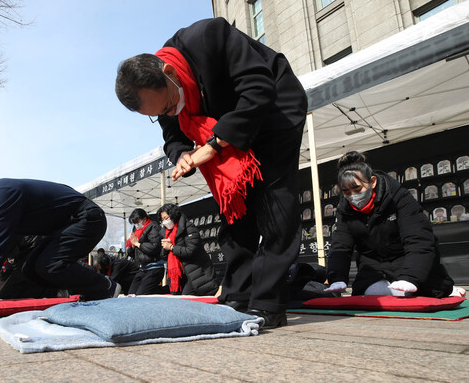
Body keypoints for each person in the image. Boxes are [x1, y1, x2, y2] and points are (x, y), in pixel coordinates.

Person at [115, 17, 307, 327]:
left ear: (168, 72)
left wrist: (212, 146)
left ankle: (269, 301)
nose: (169, 114)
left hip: (275, 112)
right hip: (224, 134)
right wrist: (182, 156)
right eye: (156, 115)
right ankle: (238, 293)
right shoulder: (163, 95)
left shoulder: (210, 37)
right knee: (235, 214)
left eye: (165, 107)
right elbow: (173, 137)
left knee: (275, 204)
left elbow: (259, 89)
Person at [0, 178, 121, 306]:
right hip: (62, 227)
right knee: (30, 269)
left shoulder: (1, 196)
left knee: (49, 265)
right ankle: (72, 293)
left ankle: (106, 287)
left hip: (86, 219)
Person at [325, 152, 454, 298]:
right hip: (373, 266)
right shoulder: (345, 209)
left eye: (357, 189)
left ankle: (448, 289)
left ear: (372, 181)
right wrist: (337, 277)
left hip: (407, 259)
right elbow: (340, 246)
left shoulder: (398, 197)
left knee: (410, 293)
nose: (353, 196)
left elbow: (419, 238)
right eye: (346, 192)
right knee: (374, 294)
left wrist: (410, 277)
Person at [157, 203, 219, 296]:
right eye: (162, 220)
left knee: (187, 300)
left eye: (166, 218)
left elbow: (190, 250)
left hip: (196, 272)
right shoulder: (166, 233)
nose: (165, 222)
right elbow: (163, 256)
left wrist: (171, 247)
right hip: (179, 275)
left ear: (174, 215)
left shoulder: (189, 228)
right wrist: (166, 248)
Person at [125, 208, 164, 295]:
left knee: (141, 295)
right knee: (131, 294)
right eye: (134, 223)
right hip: (142, 268)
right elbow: (132, 253)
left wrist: (138, 244)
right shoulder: (136, 230)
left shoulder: (153, 227)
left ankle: (165, 291)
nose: (136, 225)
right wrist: (132, 246)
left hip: (154, 268)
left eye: (137, 222)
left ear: (145, 219)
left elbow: (155, 247)